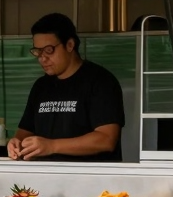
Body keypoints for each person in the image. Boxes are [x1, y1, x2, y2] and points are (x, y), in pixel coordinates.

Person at [6, 13, 124, 162]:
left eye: (49, 50)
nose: (42, 58)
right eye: (37, 51)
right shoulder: (41, 86)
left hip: (91, 180)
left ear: (69, 45)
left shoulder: (100, 81)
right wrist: (16, 144)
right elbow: (25, 133)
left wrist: (52, 146)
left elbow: (106, 139)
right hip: (43, 180)